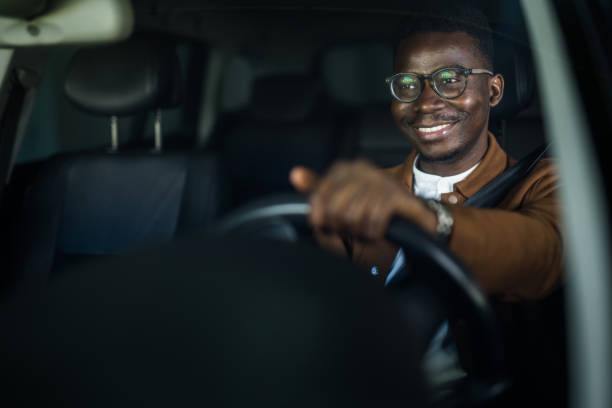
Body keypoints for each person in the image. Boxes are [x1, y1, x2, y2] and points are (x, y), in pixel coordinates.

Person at [289, 7, 563, 301]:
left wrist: (428, 219)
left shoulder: (544, 182)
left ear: (494, 92)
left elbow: (544, 252)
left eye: (451, 79)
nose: (425, 104)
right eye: (407, 84)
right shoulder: (369, 193)